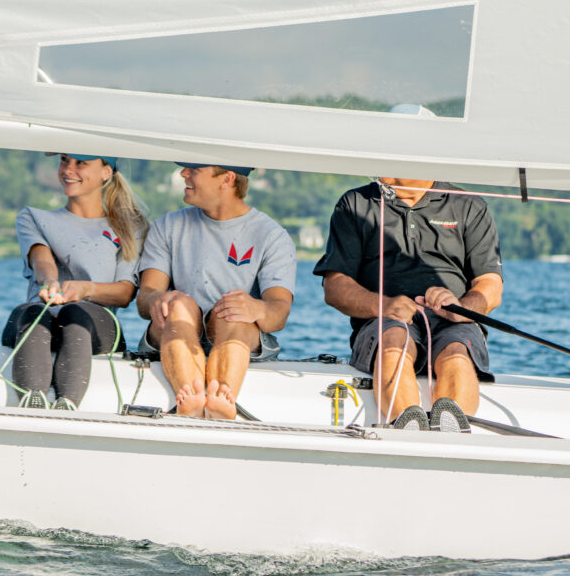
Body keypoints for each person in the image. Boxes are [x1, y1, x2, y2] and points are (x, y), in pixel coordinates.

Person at [313, 177, 503, 432]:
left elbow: (490, 285)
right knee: (394, 341)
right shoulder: (356, 203)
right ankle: (407, 431)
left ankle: (454, 437)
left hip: (454, 319)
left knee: (456, 352)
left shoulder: (468, 205)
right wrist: (383, 305)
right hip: (384, 320)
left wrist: (461, 308)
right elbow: (335, 287)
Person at [136, 163, 297, 419]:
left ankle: (215, 402)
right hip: (177, 327)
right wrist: (157, 298)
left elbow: (279, 314)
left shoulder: (271, 236)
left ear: (227, 179)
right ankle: (198, 402)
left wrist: (258, 308)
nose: (183, 174)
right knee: (179, 305)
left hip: (236, 330)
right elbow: (145, 297)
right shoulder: (167, 225)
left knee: (231, 311)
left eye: (194, 169)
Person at [2, 153, 148, 410]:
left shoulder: (131, 227)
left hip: (95, 326)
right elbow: (42, 261)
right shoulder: (33, 217)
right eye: (64, 160)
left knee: (74, 312)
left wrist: (84, 289)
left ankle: (67, 404)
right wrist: (49, 282)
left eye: (81, 163)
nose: (68, 169)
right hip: (41, 317)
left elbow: (125, 294)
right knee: (33, 310)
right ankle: (32, 400)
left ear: (106, 171)